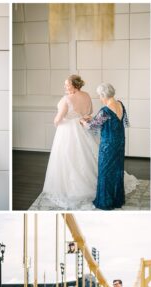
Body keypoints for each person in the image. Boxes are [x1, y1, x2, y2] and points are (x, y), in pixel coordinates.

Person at [35, 75, 99, 208]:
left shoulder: (67, 99)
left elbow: (57, 120)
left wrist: (57, 122)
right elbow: (90, 111)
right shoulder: (86, 95)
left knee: (69, 157)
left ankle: (71, 187)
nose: (65, 87)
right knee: (86, 156)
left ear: (74, 85)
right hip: (83, 128)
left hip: (68, 131)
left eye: (67, 85)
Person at [83, 83, 135, 210]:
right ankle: (117, 200)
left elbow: (92, 127)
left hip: (108, 145)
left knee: (104, 171)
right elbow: (118, 121)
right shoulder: (120, 104)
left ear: (103, 95)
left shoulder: (105, 111)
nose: (100, 98)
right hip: (120, 142)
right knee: (117, 170)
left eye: (99, 96)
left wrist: (83, 121)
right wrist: (93, 118)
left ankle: (105, 202)